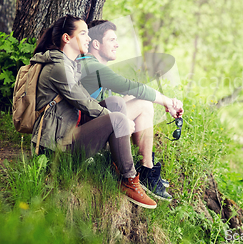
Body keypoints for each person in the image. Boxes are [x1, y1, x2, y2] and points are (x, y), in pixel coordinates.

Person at [30, 14, 157, 209]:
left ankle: (116, 161)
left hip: (68, 132)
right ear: (67, 38)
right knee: (118, 119)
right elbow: (84, 103)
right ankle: (130, 179)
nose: (88, 38)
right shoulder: (59, 67)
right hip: (56, 149)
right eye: (83, 34)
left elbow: (88, 99)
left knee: (115, 102)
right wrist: (119, 120)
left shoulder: (69, 64)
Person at [78, 19, 184, 201]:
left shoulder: (89, 64)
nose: (117, 44)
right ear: (96, 44)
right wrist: (166, 101)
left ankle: (145, 168)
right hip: (80, 135)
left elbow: (119, 96)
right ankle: (146, 170)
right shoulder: (92, 66)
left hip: (87, 124)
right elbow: (130, 86)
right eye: (111, 40)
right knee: (143, 104)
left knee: (137, 101)